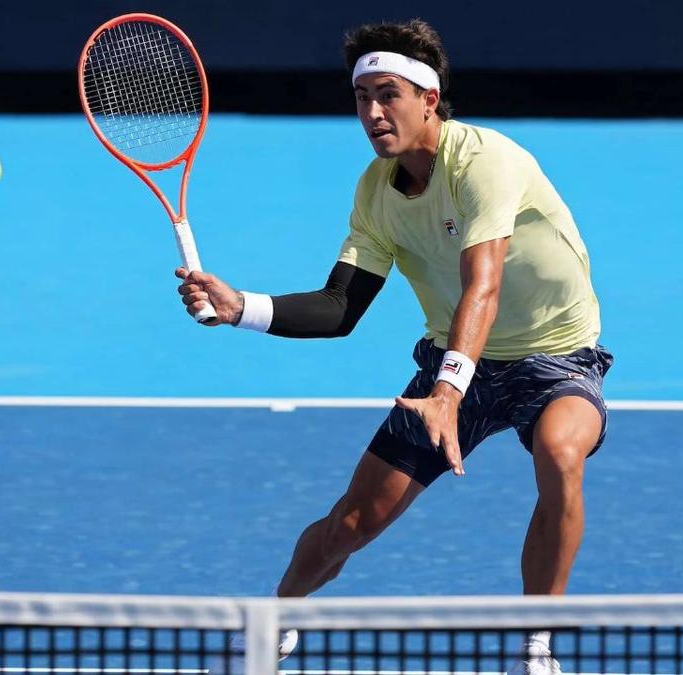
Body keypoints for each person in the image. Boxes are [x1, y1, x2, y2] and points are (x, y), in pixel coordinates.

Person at [177, 19, 613, 675]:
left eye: (389, 96)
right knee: (354, 522)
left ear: (429, 99)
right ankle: (277, 619)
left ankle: (536, 645)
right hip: (453, 362)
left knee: (560, 451)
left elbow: (484, 285)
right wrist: (241, 308)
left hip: (556, 357)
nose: (373, 113)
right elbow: (339, 307)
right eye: (362, 98)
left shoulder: (484, 162)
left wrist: (447, 392)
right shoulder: (375, 192)